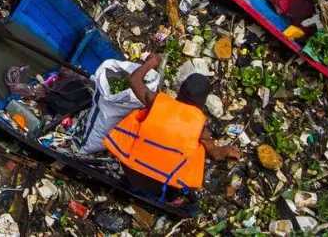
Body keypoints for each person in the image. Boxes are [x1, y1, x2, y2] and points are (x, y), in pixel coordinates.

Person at [102, 53, 240, 202]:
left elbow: (133, 80)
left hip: (130, 168)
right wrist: (228, 150)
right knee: (198, 149)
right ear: (202, 102)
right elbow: (216, 155)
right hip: (157, 184)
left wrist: (152, 62)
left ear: (180, 91)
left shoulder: (157, 102)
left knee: (142, 118)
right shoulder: (199, 127)